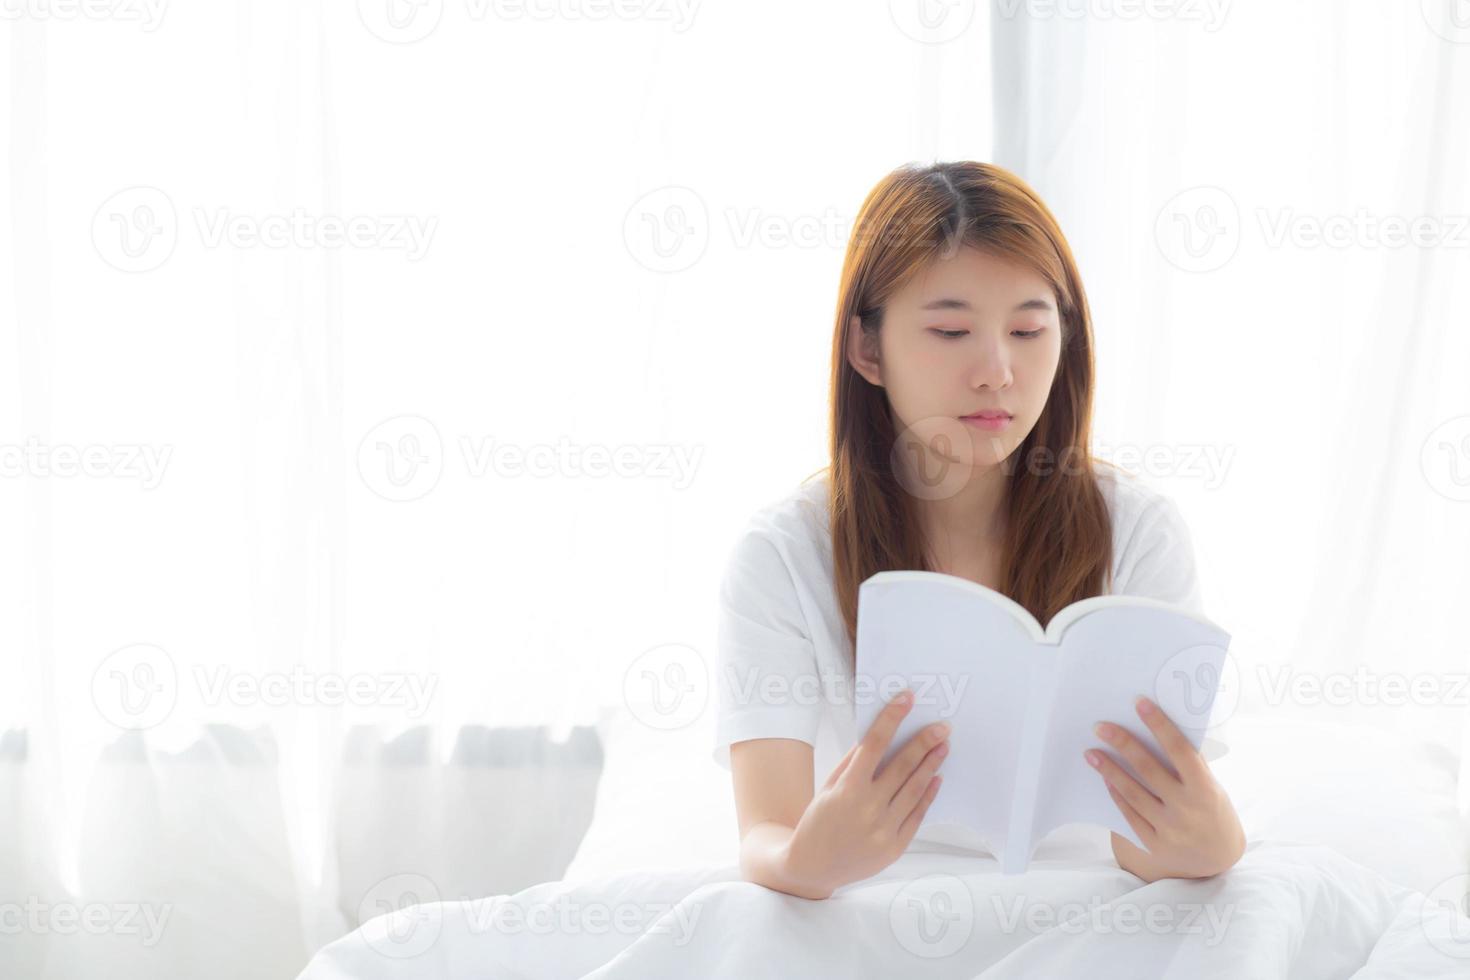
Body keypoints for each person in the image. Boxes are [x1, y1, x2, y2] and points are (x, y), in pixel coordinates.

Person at [714, 161, 1245, 900]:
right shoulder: (784, 555)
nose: (997, 371)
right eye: (951, 330)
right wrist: (808, 863)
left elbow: (1147, 844)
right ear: (867, 348)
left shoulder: (1137, 532)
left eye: (1029, 329)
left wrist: (1210, 839)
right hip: (873, 912)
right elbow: (765, 836)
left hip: (1083, 913)